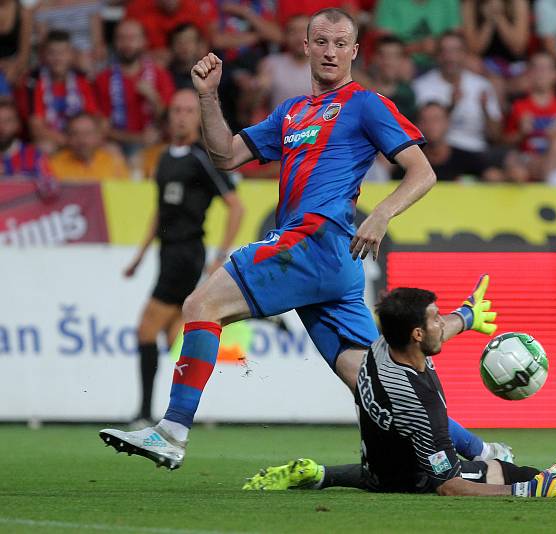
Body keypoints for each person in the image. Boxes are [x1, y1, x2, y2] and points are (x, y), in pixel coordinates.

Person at [99, 8, 509, 470]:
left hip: (314, 240)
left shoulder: (366, 104)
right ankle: (483, 452)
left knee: (199, 306)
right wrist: (209, 99)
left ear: (354, 51)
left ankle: (171, 431)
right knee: (374, 383)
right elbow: (226, 155)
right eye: (322, 42)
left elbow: (423, 172)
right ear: (307, 48)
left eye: (340, 44)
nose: (330, 51)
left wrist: (380, 213)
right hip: (333, 265)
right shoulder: (292, 112)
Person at [241, 284, 556, 498]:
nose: (443, 323)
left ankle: (319, 475)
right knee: (538, 476)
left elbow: (433, 333)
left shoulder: (383, 350)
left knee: (388, 473)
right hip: (416, 481)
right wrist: (528, 492)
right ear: (417, 335)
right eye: (436, 319)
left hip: (379, 467)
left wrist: (465, 314)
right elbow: (447, 485)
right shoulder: (417, 404)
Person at [122, 89, 244, 426]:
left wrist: (221, 254)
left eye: (189, 110)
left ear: (198, 117)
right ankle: (183, 414)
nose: (181, 116)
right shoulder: (163, 158)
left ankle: (145, 413)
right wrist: (139, 256)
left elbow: (236, 206)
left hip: (186, 254)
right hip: (167, 253)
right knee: (177, 335)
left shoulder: (201, 157)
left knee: (146, 330)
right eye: (176, 109)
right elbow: (160, 213)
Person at [412, 31, 502, 160]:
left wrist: (485, 110)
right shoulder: (421, 87)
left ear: (465, 54)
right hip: (439, 154)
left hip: (476, 150)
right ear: (437, 55)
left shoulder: (482, 86)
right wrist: (451, 107)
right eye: (444, 51)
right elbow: (420, 133)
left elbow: (495, 136)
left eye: (455, 51)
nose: (450, 57)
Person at [95, 19, 176, 157]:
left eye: (133, 38)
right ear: (114, 42)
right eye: (122, 38)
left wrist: (153, 97)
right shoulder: (103, 79)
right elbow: (102, 128)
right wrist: (138, 139)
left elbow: (172, 123)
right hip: (117, 148)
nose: (127, 43)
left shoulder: (161, 75)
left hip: (156, 145)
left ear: (144, 41)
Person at [28, 30, 99, 154]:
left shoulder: (83, 81)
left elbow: (93, 118)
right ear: (44, 56)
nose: (57, 58)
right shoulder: (35, 83)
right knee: (43, 148)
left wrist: (80, 139)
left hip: (81, 138)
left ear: (71, 55)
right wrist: (67, 141)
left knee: (111, 149)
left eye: (63, 52)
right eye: (52, 53)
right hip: (54, 140)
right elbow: (36, 127)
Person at [504, 52, 556, 182]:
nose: (541, 73)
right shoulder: (519, 105)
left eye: (546, 69)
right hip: (527, 158)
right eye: (537, 68)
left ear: (555, 75)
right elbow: (504, 140)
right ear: (529, 73)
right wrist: (521, 133)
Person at [50, 113, 130, 182]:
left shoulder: (114, 162)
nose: (82, 140)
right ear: (68, 138)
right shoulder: (54, 165)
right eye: (75, 134)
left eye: (87, 134)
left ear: (99, 136)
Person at [461, 0, 530, 78]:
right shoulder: (470, 4)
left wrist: (499, 16)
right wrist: (488, 21)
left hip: (513, 66)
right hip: (483, 68)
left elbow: (518, 48)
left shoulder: (518, 2)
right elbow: (474, 50)